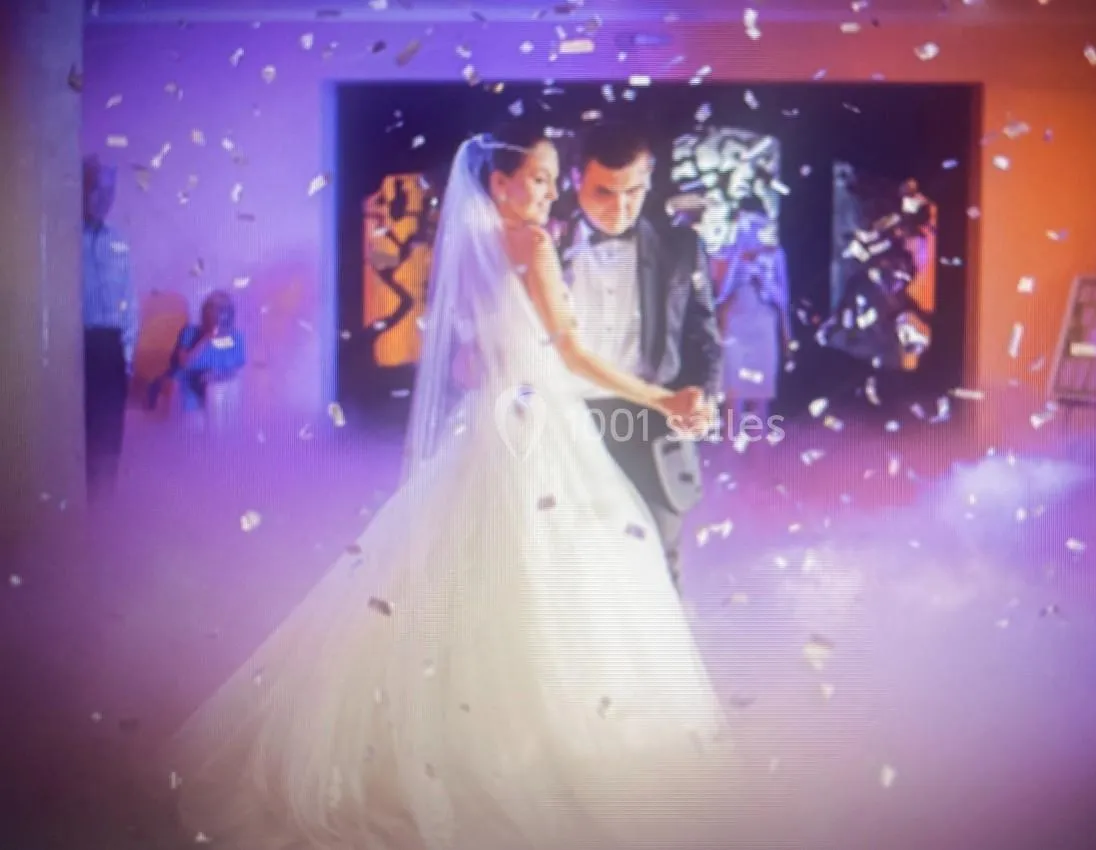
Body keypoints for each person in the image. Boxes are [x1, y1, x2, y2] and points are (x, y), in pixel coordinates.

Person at [165, 123, 742, 850]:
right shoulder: (536, 243)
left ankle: (486, 731)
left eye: (552, 179)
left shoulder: (470, 245)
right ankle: (543, 746)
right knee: (554, 579)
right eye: (540, 179)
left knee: (485, 575)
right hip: (543, 428)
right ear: (501, 183)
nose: (550, 192)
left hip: (498, 427)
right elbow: (568, 352)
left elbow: (471, 358)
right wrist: (658, 397)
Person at [551, 120, 723, 591]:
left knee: (658, 577)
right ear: (575, 179)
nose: (620, 207)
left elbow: (704, 337)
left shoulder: (680, 247)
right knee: (568, 577)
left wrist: (704, 398)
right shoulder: (545, 245)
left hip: (650, 427)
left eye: (633, 192)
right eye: (604, 192)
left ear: (649, 180)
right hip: (562, 426)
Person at [81, 155, 138, 502]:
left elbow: (129, 300)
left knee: (108, 438)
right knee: (77, 436)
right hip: (75, 345)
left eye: (111, 192)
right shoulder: (63, 238)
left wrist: (127, 356)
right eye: (97, 190)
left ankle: (104, 509)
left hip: (111, 347)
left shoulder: (119, 240)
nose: (105, 199)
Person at [715, 199, 793, 439]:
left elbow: (783, 298)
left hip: (763, 327)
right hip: (735, 327)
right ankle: (729, 451)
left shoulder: (774, 254)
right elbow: (720, 295)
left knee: (760, 396)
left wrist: (763, 277)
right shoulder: (728, 252)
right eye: (745, 222)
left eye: (756, 222)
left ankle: (759, 453)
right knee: (733, 396)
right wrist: (738, 260)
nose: (751, 228)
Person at [148, 291, 247, 425]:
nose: (218, 319)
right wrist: (206, 339)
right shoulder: (191, 332)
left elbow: (237, 366)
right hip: (186, 389)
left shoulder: (236, 338)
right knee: (192, 422)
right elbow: (184, 362)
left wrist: (216, 375)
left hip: (219, 391)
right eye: (213, 313)